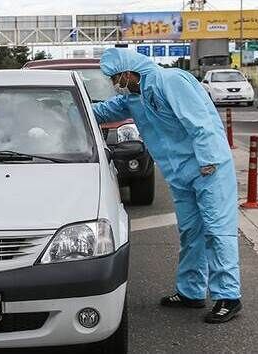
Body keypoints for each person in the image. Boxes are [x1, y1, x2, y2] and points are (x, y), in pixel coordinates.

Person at [92, 48, 242, 323]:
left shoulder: (169, 81)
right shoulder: (133, 97)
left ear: (128, 72)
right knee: (191, 232)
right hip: (180, 173)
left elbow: (200, 123)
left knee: (217, 231)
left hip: (208, 168)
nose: (115, 83)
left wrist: (208, 160)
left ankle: (228, 296)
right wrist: (67, 108)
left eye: (115, 77)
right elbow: (101, 111)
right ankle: (191, 292)